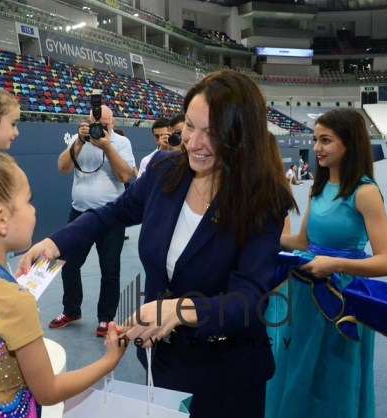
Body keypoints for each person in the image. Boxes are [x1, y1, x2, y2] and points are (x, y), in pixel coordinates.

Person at [17, 70, 297, 417]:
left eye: (212, 134)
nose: (193, 143)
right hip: (162, 363)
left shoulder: (262, 200)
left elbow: (247, 300)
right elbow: (111, 215)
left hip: (225, 378)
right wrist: (55, 244)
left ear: (242, 137)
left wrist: (177, 311)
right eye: (190, 127)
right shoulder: (166, 169)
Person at [0, 143, 128, 418]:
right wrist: (109, 361)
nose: (34, 211)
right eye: (28, 201)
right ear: (1, 220)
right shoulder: (14, 301)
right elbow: (48, 391)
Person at [266, 109, 387, 418]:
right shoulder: (317, 188)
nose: (316, 148)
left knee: (334, 374)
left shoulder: (365, 192)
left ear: (349, 144)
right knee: (297, 367)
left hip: (342, 299)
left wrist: (334, 264)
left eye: (326, 140)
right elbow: (302, 243)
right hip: (305, 293)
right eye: (315, 140)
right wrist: (259, 236)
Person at [52, 105, 134, 337]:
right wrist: (79, 141)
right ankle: (71, 310)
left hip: (111, 216)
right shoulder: (80, 140)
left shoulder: (121, 143)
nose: (99, 128)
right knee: (68, 265)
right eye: (95, 124)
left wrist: (106, 146)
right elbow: (62, 167)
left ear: (113, 125)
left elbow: (125, 176)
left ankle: (105, 319)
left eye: (104, 125)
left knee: (110, 270)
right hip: (80, 214)